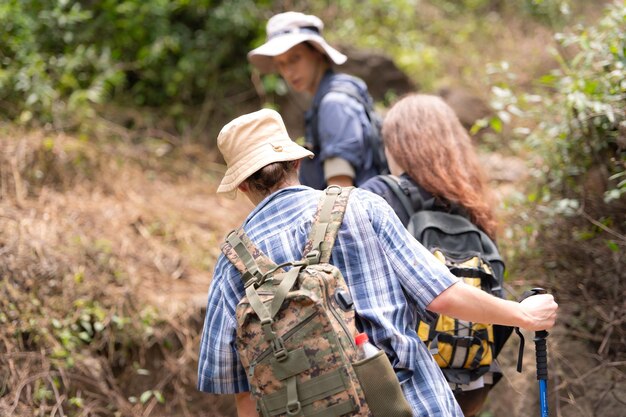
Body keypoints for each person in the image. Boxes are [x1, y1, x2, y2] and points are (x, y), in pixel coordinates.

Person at [197, 108, 558, 417]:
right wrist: (522, 314)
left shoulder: (232, 261)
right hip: (413, 402)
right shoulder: (360, 206)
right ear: (296, 161)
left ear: (242, 185)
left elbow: (240, 387)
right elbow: (441, 295)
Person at [360, 93, 507, 416]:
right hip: (471, 376)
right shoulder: (473, 204)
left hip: (402, 376)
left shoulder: (377, 196)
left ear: (398, 145)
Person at [247, 11, 385, 189]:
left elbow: (340, 189)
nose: (288, 72)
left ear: (317, 53)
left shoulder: (334, 104)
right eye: (281, 63)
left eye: (295, 58)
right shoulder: (326, 99)